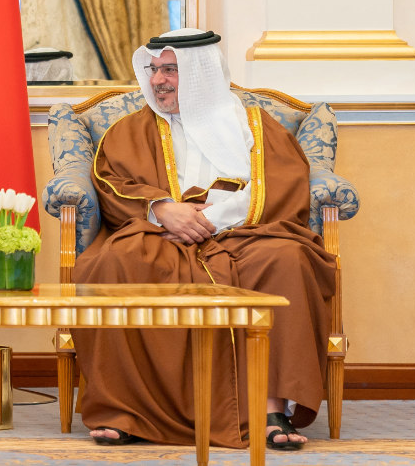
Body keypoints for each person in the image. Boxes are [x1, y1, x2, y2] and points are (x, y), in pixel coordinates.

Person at [71, 28, 336, 451]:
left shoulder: (255, 124)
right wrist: (161, 209)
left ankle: (270, 408)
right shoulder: (130, 130)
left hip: (247, 232)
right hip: (162, 234)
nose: (158, 80)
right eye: (154, 69)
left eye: (171, 70)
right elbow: (109, 180)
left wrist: (217, 217)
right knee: (114, 264)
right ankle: (127, 410)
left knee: (288, 260)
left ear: (201, 74)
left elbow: (286, 181)